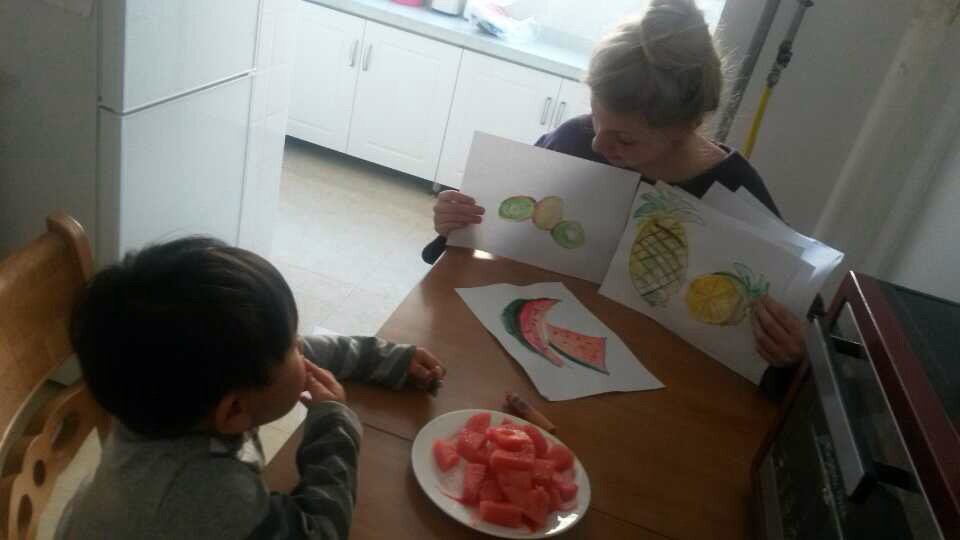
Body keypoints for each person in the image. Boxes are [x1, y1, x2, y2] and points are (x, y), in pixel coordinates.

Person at [422, 0, 806, 395]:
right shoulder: (573, 140)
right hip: (535, 352)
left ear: (687, 126)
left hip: (665, 390)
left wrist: (792, 353)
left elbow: (794, 347)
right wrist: (455, 226)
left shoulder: (735, 192)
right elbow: (486, 252)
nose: (597, 143)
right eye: (596, 116)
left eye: (624, 138)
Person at [57, 237, 446, 540]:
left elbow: (282, 361)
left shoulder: (157, 398)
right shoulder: (213, 494)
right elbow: (320, 533)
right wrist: (334, 426)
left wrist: (380, 358)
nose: (302, 348)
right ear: (234, 411)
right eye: (292, 345)